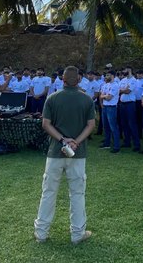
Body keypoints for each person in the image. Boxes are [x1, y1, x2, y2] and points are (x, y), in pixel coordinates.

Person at [33, 66, 96, 244]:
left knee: (48, 192)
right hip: (77, 153)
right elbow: (91, 125)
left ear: (63, 80)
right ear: (79, 80)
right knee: (77, 193)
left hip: (56, 151)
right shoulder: (86, 99)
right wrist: (76, 141)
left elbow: (46, 124)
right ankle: (77, 233)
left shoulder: (53, 98)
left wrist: (62, 139)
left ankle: (41, 233)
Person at [99, 71, 120, 153]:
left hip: (112, 107)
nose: (106, 76)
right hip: (105, 107)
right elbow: (101, 96)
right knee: (106, 126)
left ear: (113, 76)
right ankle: (107, 143)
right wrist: (104, 97)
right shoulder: (105, 85)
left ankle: (116, 146)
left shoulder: (115, 85)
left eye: (108, 75)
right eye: (106, 75)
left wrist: (104, 96)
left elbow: (109, 98)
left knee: (113, 127)